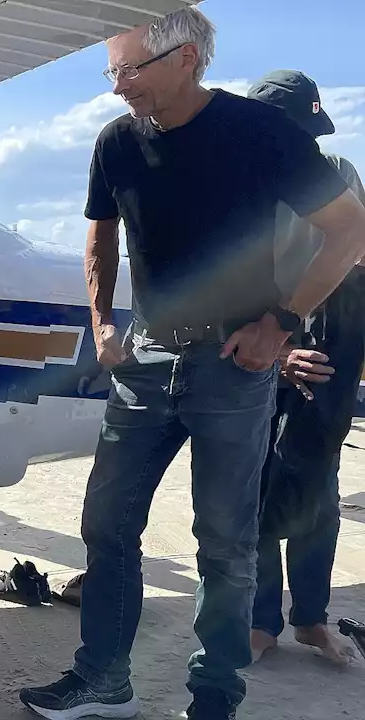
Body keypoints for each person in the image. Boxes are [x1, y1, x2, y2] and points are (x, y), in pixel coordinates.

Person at [18, 7, 365, 720]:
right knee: (107, 522)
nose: (118, 87)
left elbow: (348, 229)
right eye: (112, 70)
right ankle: (103, 681)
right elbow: (100, 239)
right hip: (145, 359)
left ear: (186, 59)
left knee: (224, 543)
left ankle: (213, 700)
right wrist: (103, 327)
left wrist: (282, 323)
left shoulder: (261, 134)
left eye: (129, 70)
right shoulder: (116, 143)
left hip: (234, 368)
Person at [246, 70, 364, 668]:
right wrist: (278, 348)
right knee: (255, 483)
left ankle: (312, 617)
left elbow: (355, 253)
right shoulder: (240, 181)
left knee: (318, 481)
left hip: (326, 349)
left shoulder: (339, 172)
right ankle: (261, 619)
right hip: (258, 347)